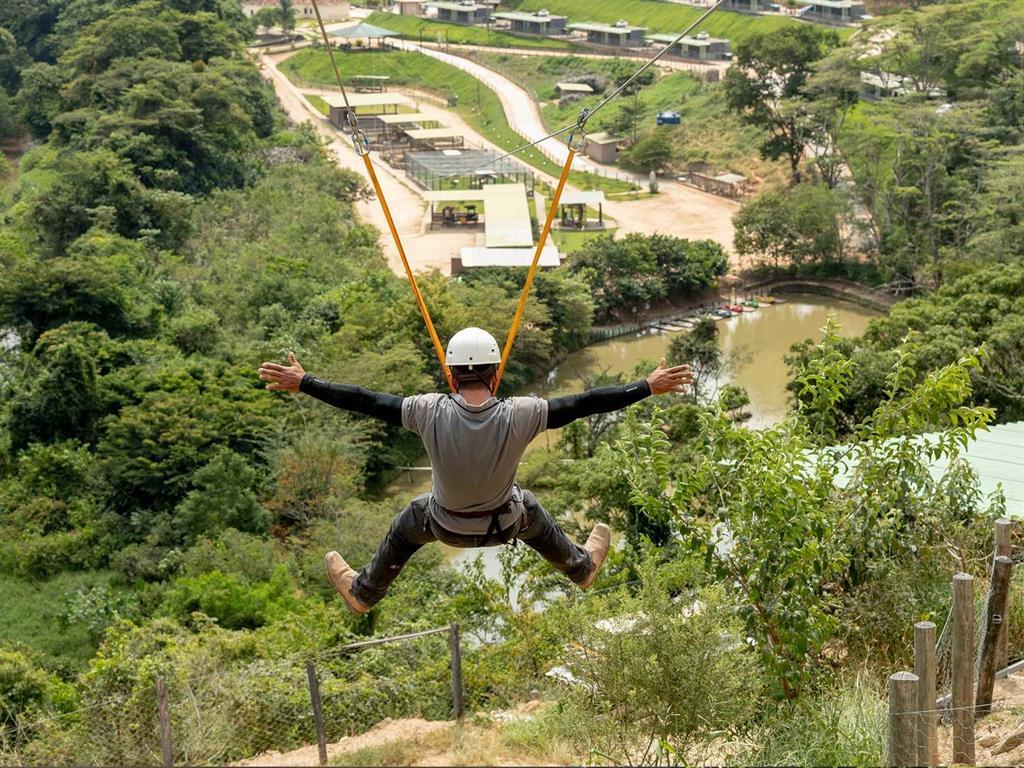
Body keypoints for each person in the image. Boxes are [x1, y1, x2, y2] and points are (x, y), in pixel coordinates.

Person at [258, 327, 693, 614]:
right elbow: (584, 403)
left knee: (411, 516)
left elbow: (365, 400)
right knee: (529, 506)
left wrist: (306, 382)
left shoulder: (425, 410)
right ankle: (580, 569)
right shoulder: (522, 413)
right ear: (496, 373)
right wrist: (645, 387)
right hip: (505, 525)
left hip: (443, 525)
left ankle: (364, 593)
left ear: (451, 376)